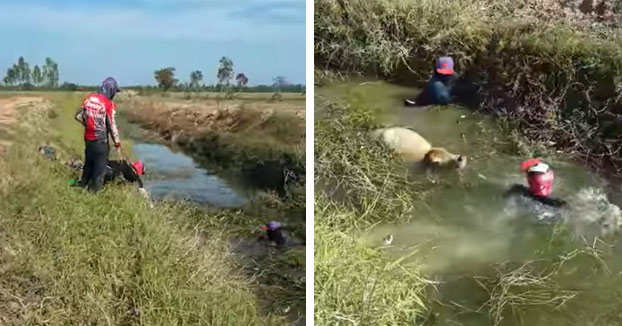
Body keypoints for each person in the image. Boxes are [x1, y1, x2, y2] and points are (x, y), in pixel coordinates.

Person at [74, 77, 124, 192]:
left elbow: (78, 116)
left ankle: (82, 185)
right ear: (111, 90)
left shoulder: (89, 99)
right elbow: (112, 126)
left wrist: (88, 125)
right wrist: (118, 145)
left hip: (88, 138)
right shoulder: (108, 104)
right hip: (100, 141)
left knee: (88, 164)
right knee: (99, 170)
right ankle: (93, 194)